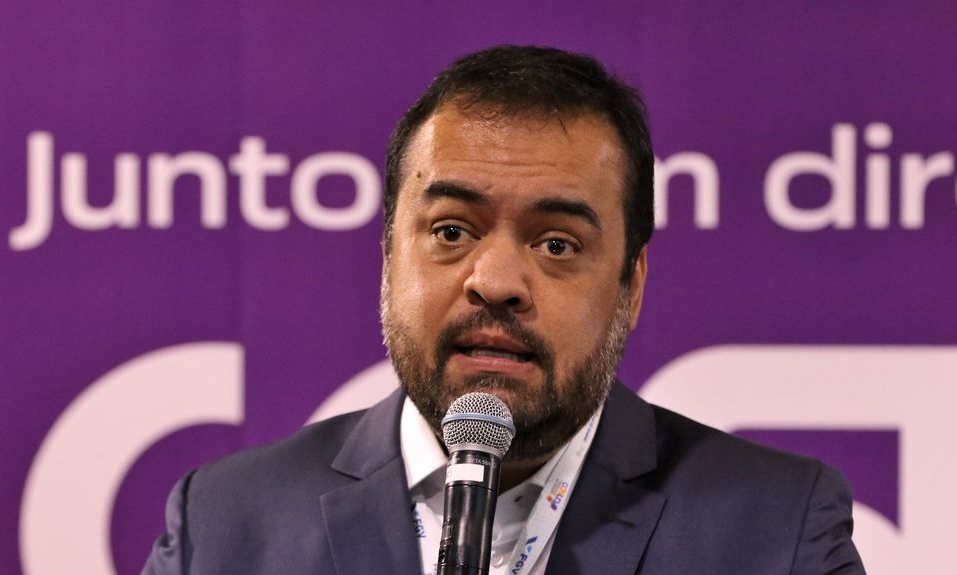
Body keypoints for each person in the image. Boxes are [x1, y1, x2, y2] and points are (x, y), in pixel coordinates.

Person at [142, 45, 866, 575]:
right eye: (452, 231)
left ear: (631, 285)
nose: (495, 282)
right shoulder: (225, 526)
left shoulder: (776, 530)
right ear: (389, 258)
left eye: (557, 243)